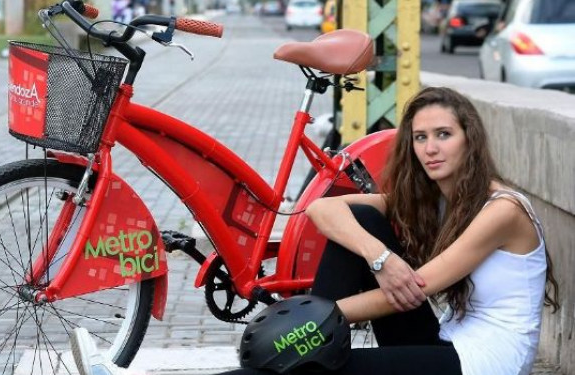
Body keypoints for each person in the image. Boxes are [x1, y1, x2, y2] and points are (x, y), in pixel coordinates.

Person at [69, 87, 560, 375]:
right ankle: (308, 348)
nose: (431, 148)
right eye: (421, 138)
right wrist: (378, 256)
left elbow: (415, 290)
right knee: (363, 223)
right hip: (446, 339)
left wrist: (303, 326)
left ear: (470, 139)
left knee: (307, 360)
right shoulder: (437, 201)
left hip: (480, 364)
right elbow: (324, 213)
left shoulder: (502, 211)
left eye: (444, 135)